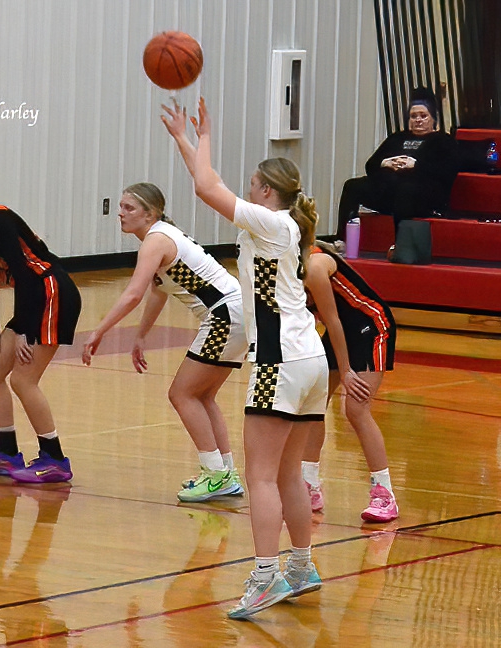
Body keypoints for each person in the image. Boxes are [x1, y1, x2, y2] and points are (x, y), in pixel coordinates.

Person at [164, 98, 327, 619]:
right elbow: (207, 181)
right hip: (311, 360)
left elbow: (207, 188)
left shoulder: (271, 222)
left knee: (260, 477)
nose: (246, 189)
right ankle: (300, 567)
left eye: (252, 183)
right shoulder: (283, 225)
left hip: (279, 362)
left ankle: (264, 576)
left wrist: (204, 136)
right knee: (287, 474)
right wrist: (184, 140)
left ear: (266, 190)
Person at [81, 182, 247, 501]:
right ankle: (225, 472)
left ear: (150, 213)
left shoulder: (156, 240)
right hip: (235, 314)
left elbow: (133, 294)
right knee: (203, 396)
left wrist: (99, 331)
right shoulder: (162, 237)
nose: (120, 213)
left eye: (129, 207)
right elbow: (159, 291)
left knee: (182, 394)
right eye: (121, 206)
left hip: (225, 315)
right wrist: (141, 335)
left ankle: (216, 475)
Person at [0, 163, 81, 484]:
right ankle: (7, 452)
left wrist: (23, 331)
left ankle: (55, 459)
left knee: (24, 380)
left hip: (52, 293)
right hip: (31, 299)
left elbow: (24, 275)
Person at [301, 240, 399, 522]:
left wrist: (345, 371)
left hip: (371, 327)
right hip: (341, 331)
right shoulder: (286, 264)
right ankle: (309, 485)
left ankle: (384, 494)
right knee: (312, 405)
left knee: (356, 409)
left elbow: (333, 321)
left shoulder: (314, 266)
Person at [335, 87, 459, 240]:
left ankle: (400, 243)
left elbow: (446, 172)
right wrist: (385, 163)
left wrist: (416, 165)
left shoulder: (443, 141)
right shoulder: (397, 138)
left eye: (423, 116)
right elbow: (370, 165)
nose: (418, 120)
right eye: (413, 116)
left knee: (405, 190)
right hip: (388, 191)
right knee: (352, 186)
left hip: (421, 195)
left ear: (433, 118)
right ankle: (341, 239)